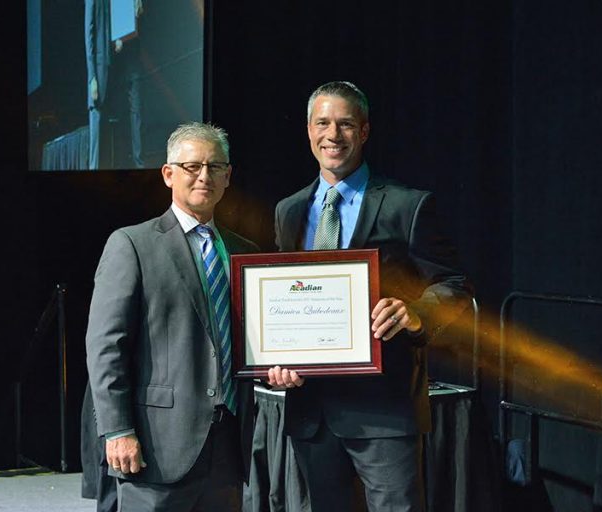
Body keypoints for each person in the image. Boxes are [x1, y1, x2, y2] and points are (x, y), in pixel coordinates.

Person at [268, 81, 473, 511]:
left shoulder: (407, 205)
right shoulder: (288, 211)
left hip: (384, 409)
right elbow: (286, 302)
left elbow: (454, 286)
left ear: (364, 131)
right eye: (323, 123)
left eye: (345, 124)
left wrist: (415, 313)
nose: (333, 135)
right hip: (312, 410)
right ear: (308, 130)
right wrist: (277, 358)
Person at [85, 122, 258, 511]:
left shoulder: (246, 252)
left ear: (228, 176)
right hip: (156, 445)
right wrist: (117, 429)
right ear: (168, 174)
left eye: (215, 167)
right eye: (192, 166)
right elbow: (105, 347)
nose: (204, 176)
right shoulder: (131, 244)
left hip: (229, 444)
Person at [85, 0, 144, 170]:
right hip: (101, 66)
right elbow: (88, 36)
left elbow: (122, 23)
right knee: (97, 117)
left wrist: (119, 37)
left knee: (123, 114)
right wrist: (92, 77)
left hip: (117, 63)